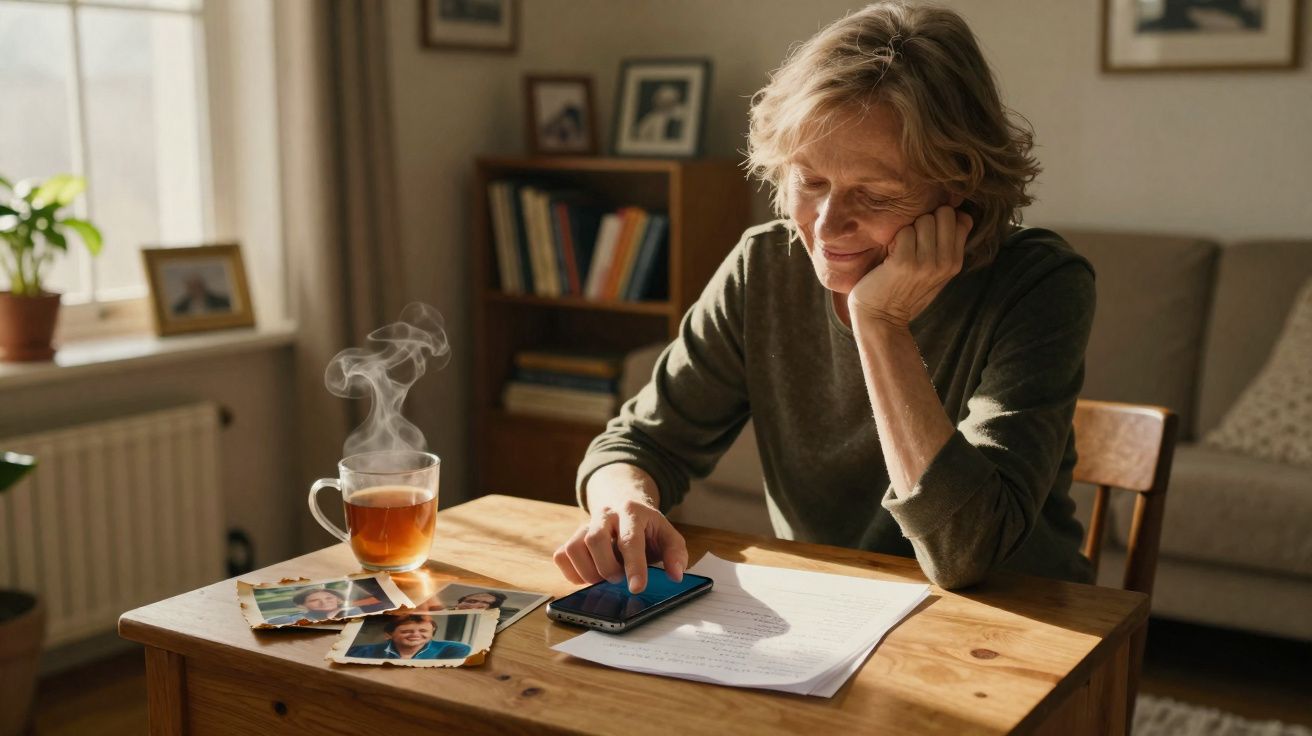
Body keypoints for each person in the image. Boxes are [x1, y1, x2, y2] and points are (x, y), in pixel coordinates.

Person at [554, 1, 1096, 594]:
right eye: (809, 181)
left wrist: (880, 322)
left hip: (1017, 617)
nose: (826, 224)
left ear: (960, 187)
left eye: (876, 195)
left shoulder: (1040, 284)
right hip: (832, 607)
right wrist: (625, 503)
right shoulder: (765, 265)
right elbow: (637, 443)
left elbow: (966, 552)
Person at [345, 615, 472, 660]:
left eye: (423, 630)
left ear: (432, 632)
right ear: (388, 634)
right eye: (406, 631)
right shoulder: (358, 651)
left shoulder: (457, 650)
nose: (416, 635)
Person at [264, 587, 364, 625]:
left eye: (329, 598)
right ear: (302, 605)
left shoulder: (356, 611)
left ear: (338, 599)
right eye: (314, 600)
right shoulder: (290, 620)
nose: (324, 603)